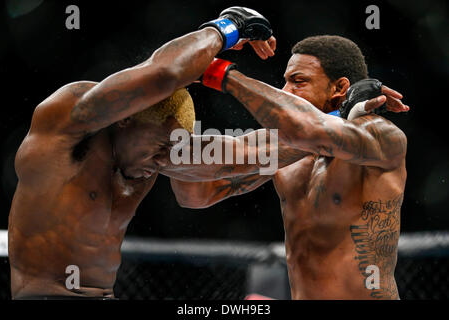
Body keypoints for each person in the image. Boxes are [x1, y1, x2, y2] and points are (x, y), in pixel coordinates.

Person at [7, 7, 279, 300]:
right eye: (161, 145)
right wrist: (227, 28)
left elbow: (254, 151)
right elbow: (164, 74)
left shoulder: (158, 152)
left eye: (173, 149)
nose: (164, 160)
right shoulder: (69, 121)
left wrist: (324, 123)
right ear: (126, 117)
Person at [171, 35, 409, 299]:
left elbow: (310, 132)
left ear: (339, 87)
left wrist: (218, 71)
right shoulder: (283, 148)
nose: (285, 91)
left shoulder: (383, 138)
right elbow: (194, 193)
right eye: (285, 81)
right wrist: (178, 104)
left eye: (298, 81)